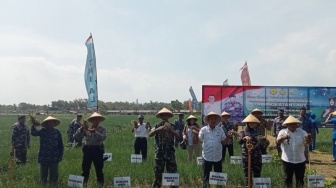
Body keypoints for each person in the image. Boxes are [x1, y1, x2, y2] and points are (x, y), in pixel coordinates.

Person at [277, 115, 312, 188]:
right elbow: (277, 142)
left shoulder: (302, 132)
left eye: (294, 124)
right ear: (287, 125)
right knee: (287, 179)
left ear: (297, 124)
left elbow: (308, 142)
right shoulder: (282, 132)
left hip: (300, 160)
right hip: (287, 160)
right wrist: (284, 137)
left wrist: (309, 139)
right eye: (290, 124)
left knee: (300, 180)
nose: (293, 125)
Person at [149, 107, 180, 188]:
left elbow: (178, 135)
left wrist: (171, 131)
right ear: (161, 116)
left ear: (169, 116)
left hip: (170, 153)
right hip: (159, 153)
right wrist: (157, 130)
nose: (165, 117)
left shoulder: (173, 125)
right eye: (163, 115)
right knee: (157, 173)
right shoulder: (157, 125)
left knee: (172, 172)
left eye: (166, 115)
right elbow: (150, 134)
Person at [75, 112, 107, 185]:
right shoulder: (87, 128)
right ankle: (84, 184)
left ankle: (100, 185)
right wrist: (81, 129)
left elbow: (103, 137)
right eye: (95, 119)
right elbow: (77, 136)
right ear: (92, 120)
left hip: (97, 150)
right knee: (85, 169)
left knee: (99, 169)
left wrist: (95, 132)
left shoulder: (102, 129)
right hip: (87, 150)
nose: (96, 121)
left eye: (98, 120)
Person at [31, 116, 64, 185]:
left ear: (54, 124)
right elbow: (33, 133)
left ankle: (53, 185)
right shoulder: (42, 131)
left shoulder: (57, 132)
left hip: (54, 157)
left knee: (54, 176)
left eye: (51, 122)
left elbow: (61, 145)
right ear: (46, 124)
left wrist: (60, 155)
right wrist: (34, 124)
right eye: (48, 123)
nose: (50, 124)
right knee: (43, 176)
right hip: (43, 157)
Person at [199, 111, 227, 188]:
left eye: (214, 119)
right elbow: (200, 139)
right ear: (208, 120)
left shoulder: (220, 130)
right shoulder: (203, 130)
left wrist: (228, 137)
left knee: (219, 176)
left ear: (216, 121)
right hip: (207, 157)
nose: (213, 120)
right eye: (211, 119)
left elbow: (224, 142)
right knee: (206, 177)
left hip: (217, 157)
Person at [238, 114, 263, 187]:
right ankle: (248, 186)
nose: (252, 124)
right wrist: (244, 138)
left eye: (253, 122)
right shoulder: (243, 132)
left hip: (257, 156)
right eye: (250, 122)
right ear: (247, 123)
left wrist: (264, 140)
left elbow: (262, 144)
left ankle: (257, 186)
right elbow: (239, 141)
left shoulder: (259, 131)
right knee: (247, 174)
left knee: (257, 173)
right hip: (246, 156)